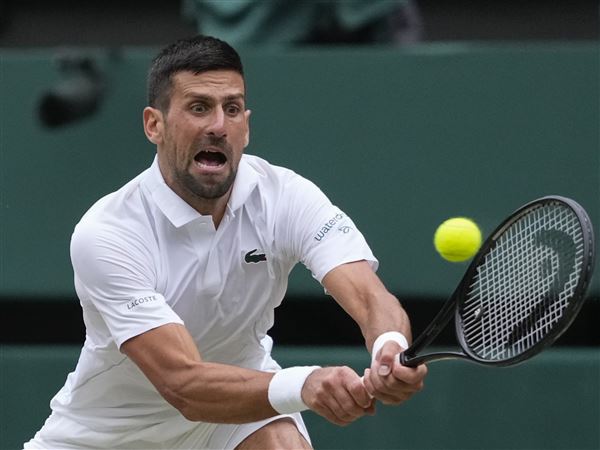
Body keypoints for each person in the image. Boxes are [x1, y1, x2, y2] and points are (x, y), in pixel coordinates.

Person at [24, 35, 427, 450]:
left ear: (246, 127)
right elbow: (184, 384)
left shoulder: (285, 196)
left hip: (235, 415)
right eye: (199, 107)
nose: (218, 126)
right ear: (154, 125)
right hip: (103, 437)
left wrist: (389, 347)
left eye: (231, 109)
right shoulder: (108, 232)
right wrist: (303, 384)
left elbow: (366, 292)